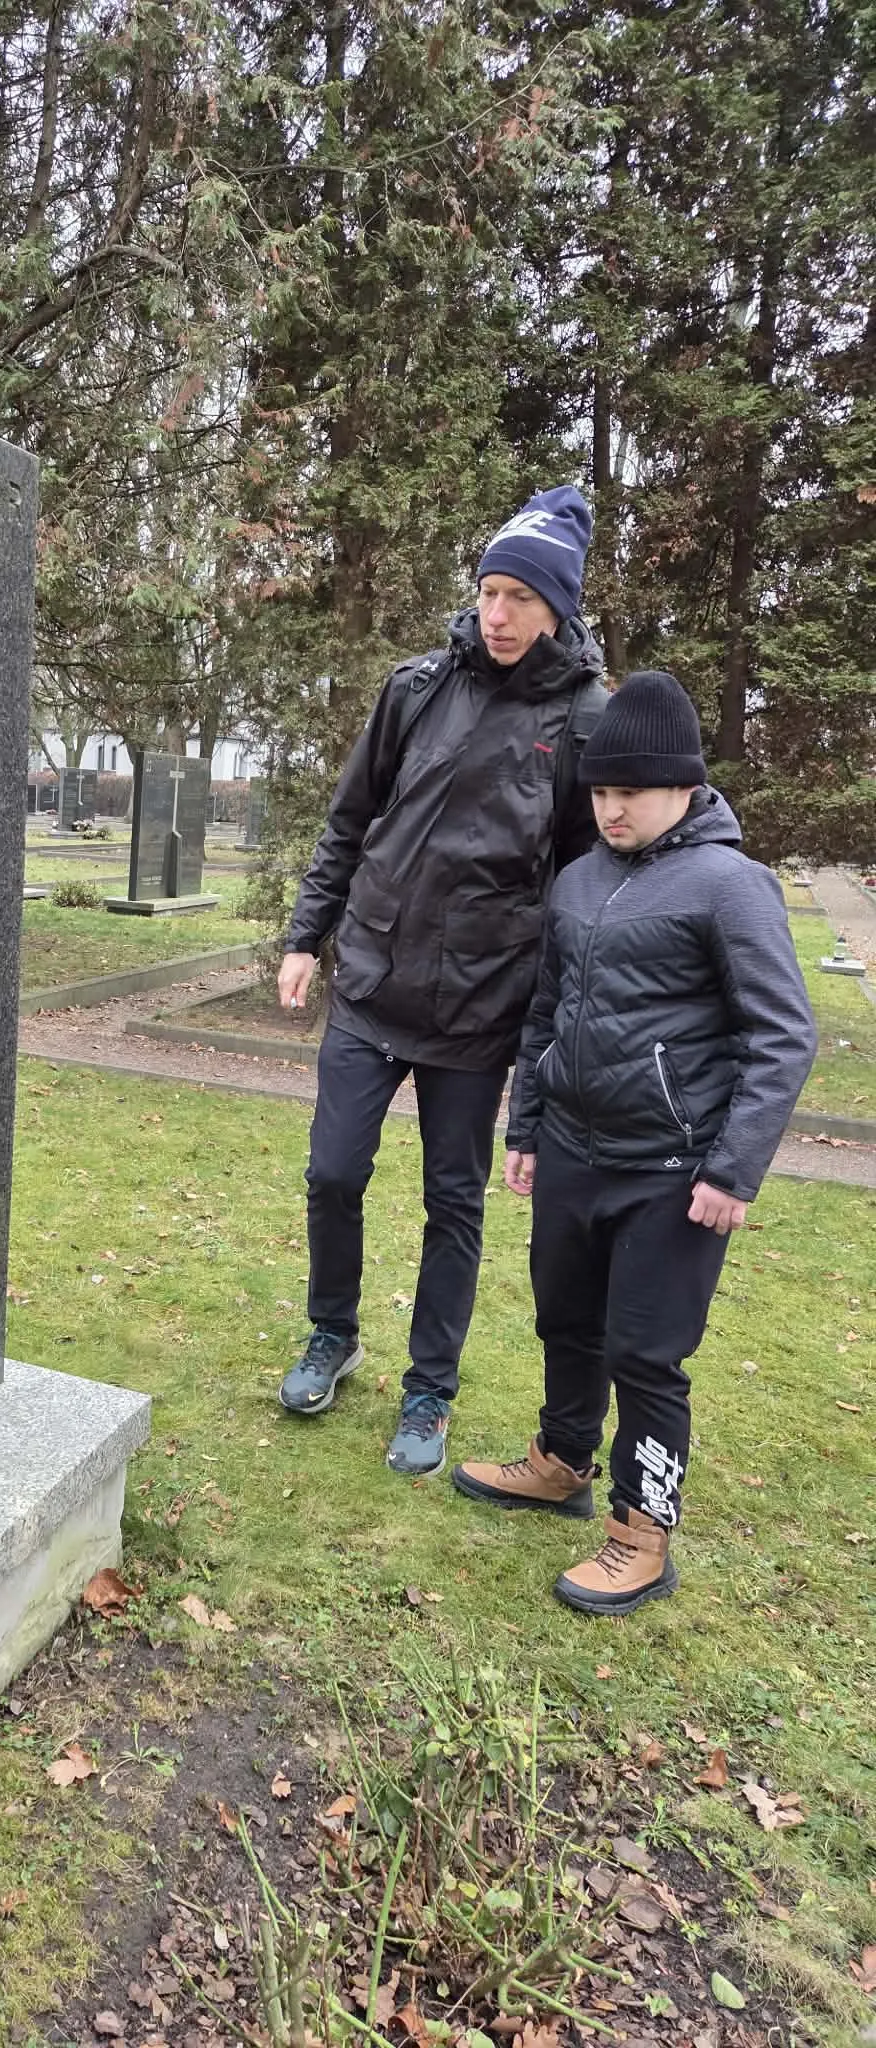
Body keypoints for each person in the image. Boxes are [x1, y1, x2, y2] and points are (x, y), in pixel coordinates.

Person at [451, 670, 817, 1613]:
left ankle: (642, 1532)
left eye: (633, 793)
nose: (612, 810)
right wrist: (528, 1126)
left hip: (674, 1175)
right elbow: (547, 1012)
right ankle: (561, 1460)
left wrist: (733, 1170)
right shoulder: (580, 880)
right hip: (573, 1153)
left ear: (686, 788)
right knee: (565, 1324)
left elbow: (783, 1035)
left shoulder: (732, 887)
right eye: (602, 792)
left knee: (646, 1358)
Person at [277, 486, 610, 1476]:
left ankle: (430, 1388)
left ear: (558, 607)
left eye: (520, 597)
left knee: (452, 1202)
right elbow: (349, 822)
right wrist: (306, 937)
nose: (497, 614)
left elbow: (586, 880)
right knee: (333, 1172)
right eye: (488, 591)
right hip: (372, 981)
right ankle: (332, 1333)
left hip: (480, 1006)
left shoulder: (584, 721)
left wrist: (559, 1011)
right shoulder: (416, 688)